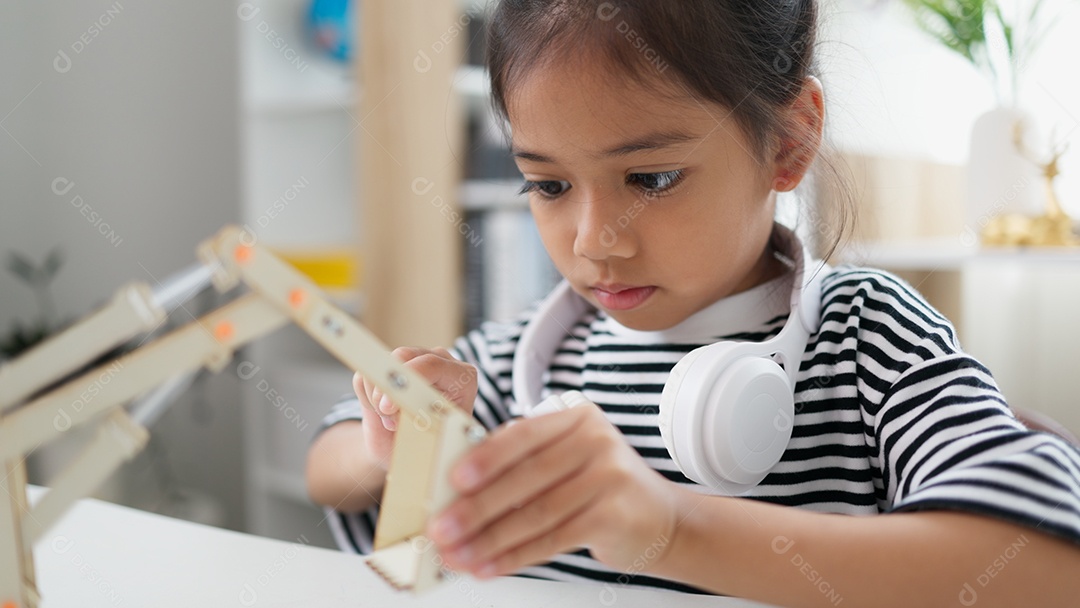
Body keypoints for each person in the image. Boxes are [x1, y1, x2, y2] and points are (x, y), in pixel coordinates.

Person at [306, 1, 1080, 605]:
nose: (595, 240)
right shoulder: (517, 363)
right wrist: (392, 445)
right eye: (547, 184)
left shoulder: (866, 339)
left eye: (651, 179)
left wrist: (671, 527)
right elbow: (327, 465)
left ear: (787, 141)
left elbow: (1049, 567)